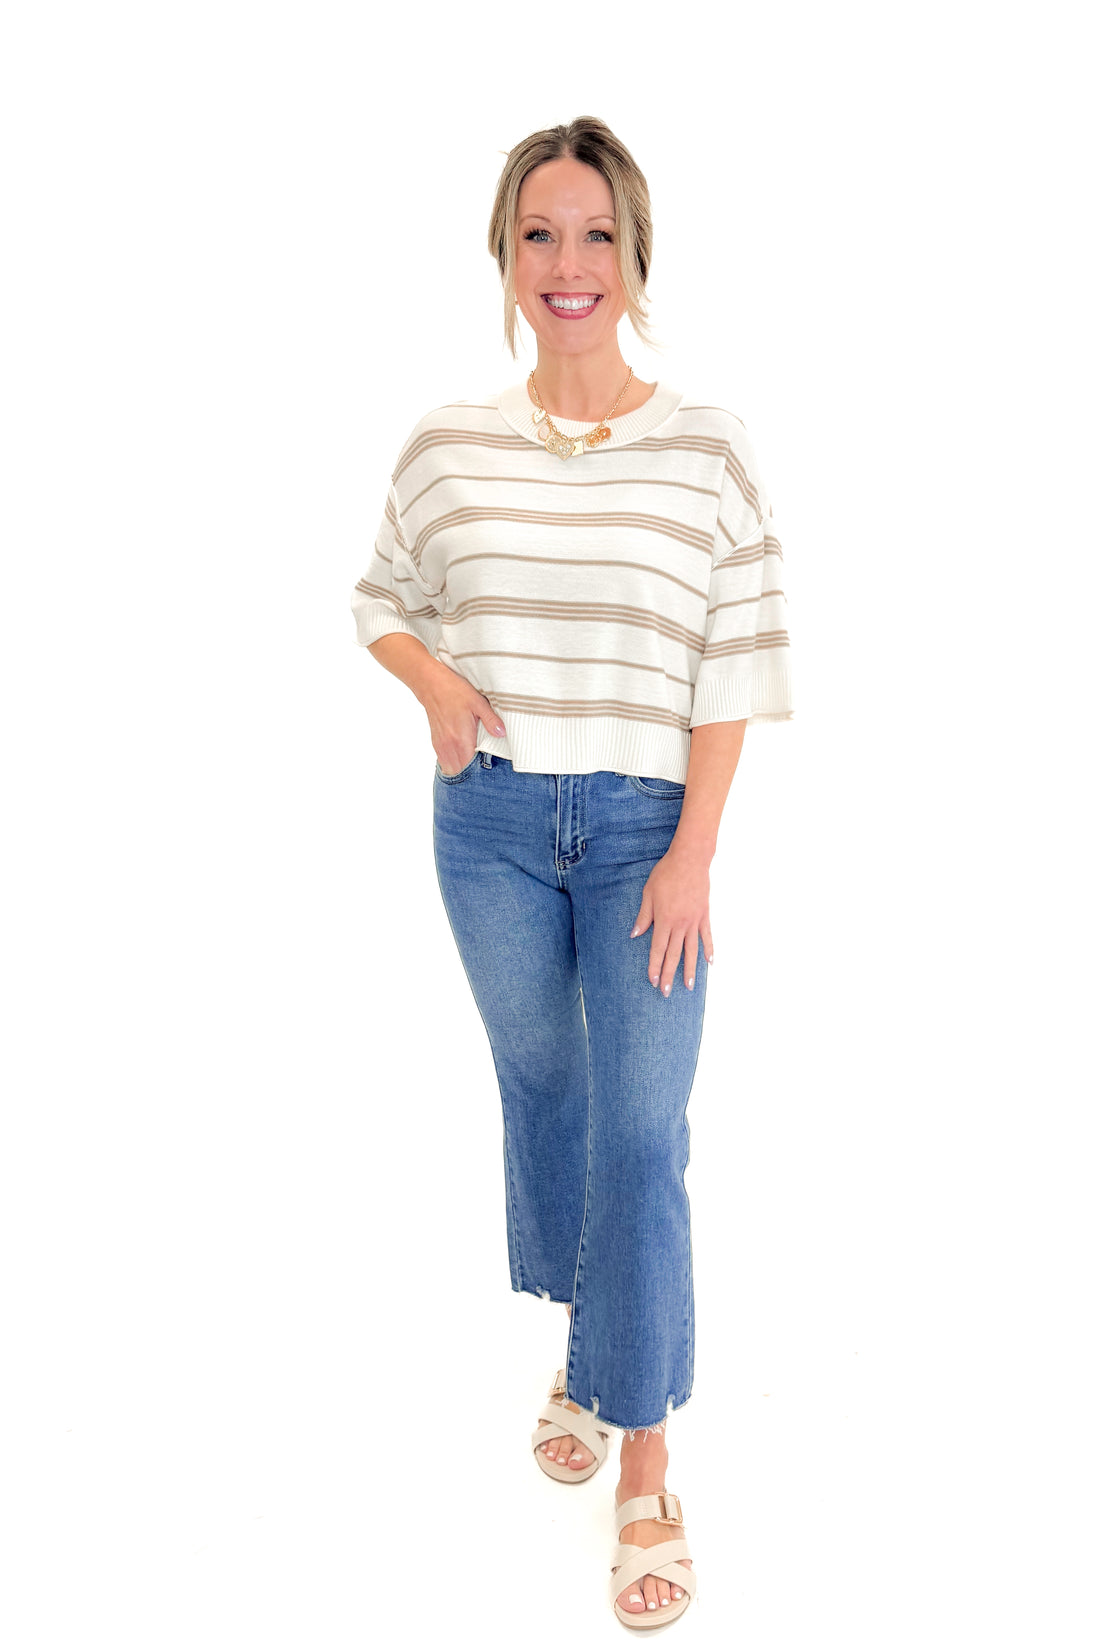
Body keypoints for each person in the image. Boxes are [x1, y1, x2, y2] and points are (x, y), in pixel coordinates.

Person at [350, 115, 794, 1629]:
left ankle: (644, 1452)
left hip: (645, 831)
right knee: (547, 1085)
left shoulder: (708, 446)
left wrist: (694, 852)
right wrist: (432, 683)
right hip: (487, 825)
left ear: (636, 256)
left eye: (596, 233)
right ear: (504, 254)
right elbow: (379, 594)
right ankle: (592, 1337)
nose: (568, 262)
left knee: (644, 1127)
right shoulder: (446, 446)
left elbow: (737, 657)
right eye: (539, 233)